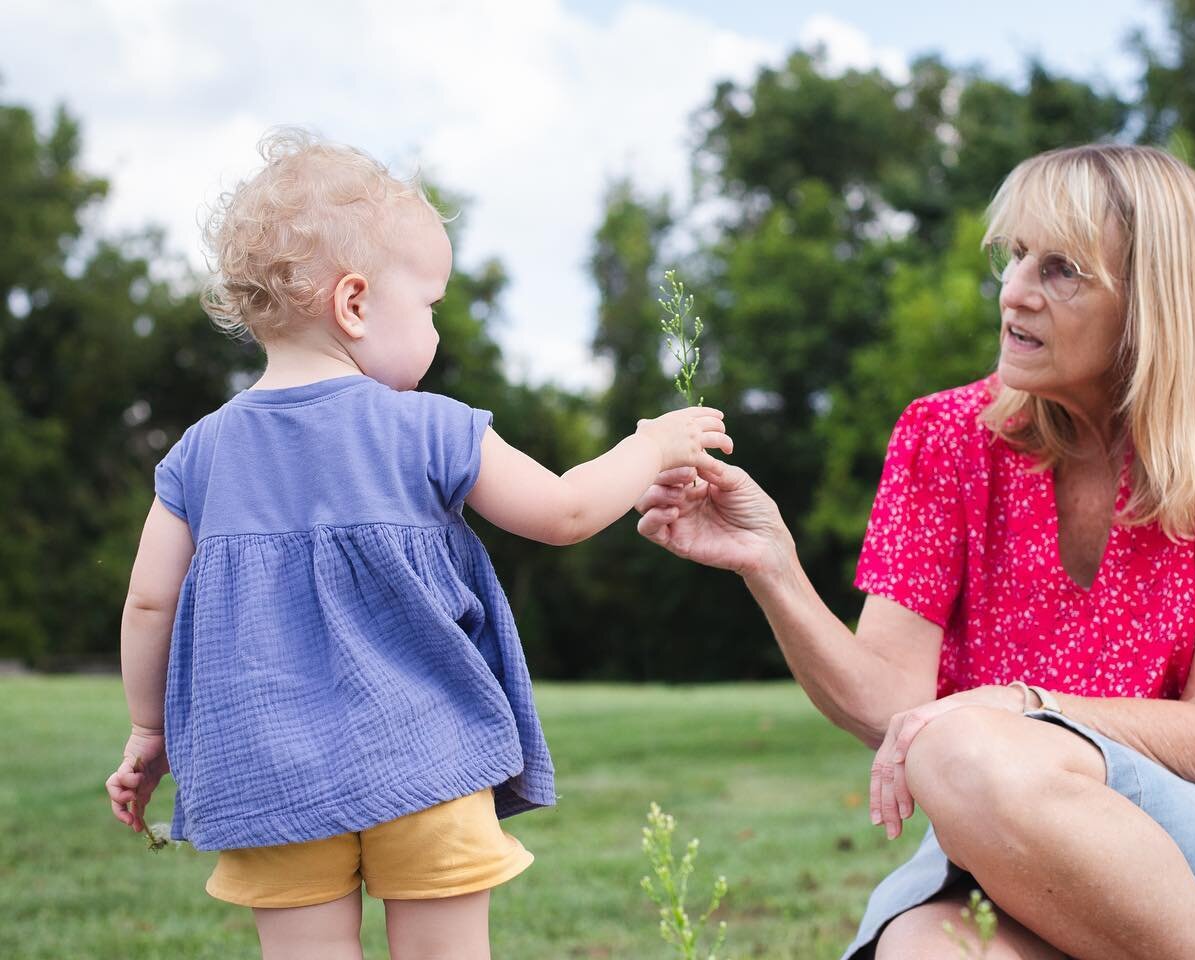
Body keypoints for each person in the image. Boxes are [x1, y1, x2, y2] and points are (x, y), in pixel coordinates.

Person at [635, 143, 1195, 960]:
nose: (1014, 291)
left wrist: (1018, 707)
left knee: (962, 748)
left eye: (1061, 271)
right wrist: (771, 563)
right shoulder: (943, 437)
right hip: (1001, 835)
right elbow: (890, 707)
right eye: (1015, 256)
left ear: (1152, 301)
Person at [102, 129, 731, 960]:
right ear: (355, 304)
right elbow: (566, 511)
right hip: (425, 760)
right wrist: (649, 446)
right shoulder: (429, 428)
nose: (435, 329)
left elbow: (151, 601)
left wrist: (151, 732)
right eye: (429, 305)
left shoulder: (198, 455)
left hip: (268, 777)